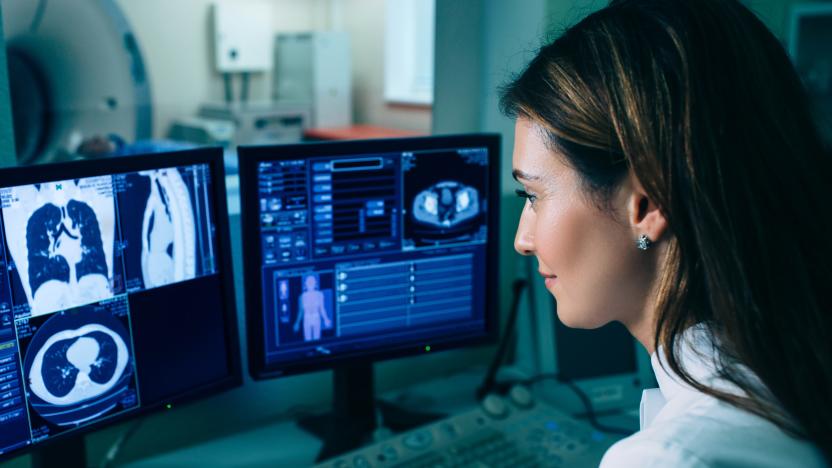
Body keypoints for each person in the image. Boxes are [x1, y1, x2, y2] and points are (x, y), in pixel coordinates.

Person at [501, 0, 831, 466]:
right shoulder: (792, 373)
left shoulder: (673, 457)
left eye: (532, 196)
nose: (523, 239)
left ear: (647, 204)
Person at [293, 274, 332, 341]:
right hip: (307, 319)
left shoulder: (319, 295)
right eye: (309, 282)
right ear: (305, 283)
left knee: (317, 339)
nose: (310, 283)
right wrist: (297, 323)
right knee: (307, 340)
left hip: (316, 318)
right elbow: (301, 311)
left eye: (312, 281)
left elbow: (322, 309)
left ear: (315, 283)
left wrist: (326, 319)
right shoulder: (302, 296)